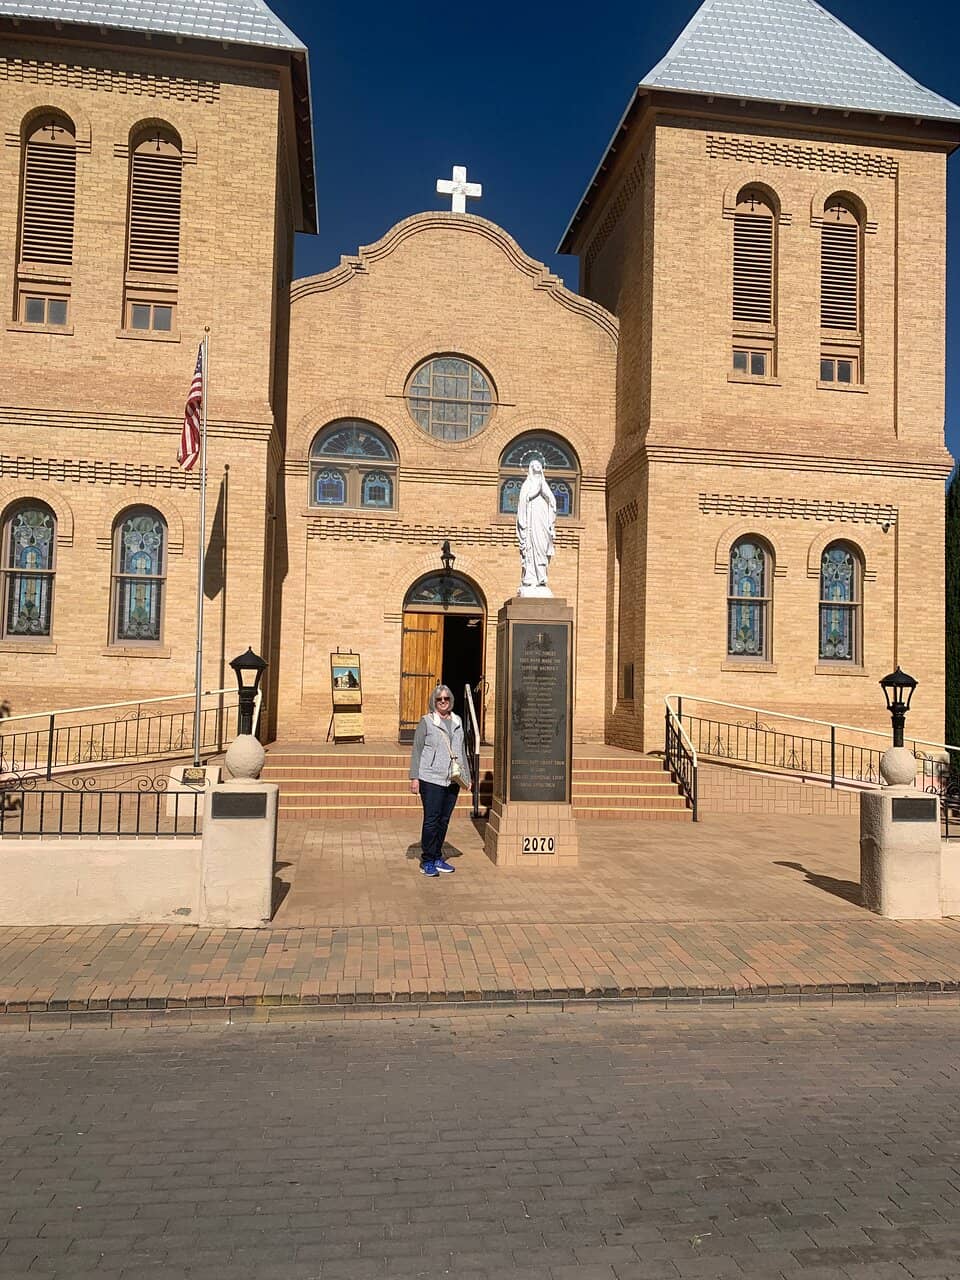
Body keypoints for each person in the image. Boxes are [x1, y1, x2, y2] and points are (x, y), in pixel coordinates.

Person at [408, 684, 472, 877]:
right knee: (431, 820)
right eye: (439, 699)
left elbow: (462, 751)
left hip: (452, 779)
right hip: (431, 778)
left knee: (444, 820)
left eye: (446, 698)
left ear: (450, 700)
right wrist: (414, 777)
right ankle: (427, 860)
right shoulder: (427, 722)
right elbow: (417, 750)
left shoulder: (457, 721)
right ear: (434, 702)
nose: (443, 701)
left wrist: (467, 777)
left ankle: (437, 856)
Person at [516, 458, 557, 591]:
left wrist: (544, 492)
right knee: (531, 547)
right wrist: (536, 491)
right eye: (534, 465)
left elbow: (552, 501)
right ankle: (530, 578)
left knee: (542, 547)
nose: (537, 466)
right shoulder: (527, 484)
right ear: (530, 468)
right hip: (531, 520)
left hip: (542, 520)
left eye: (539, 464)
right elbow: (524, 500)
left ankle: (542, 577)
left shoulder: (543, 484)